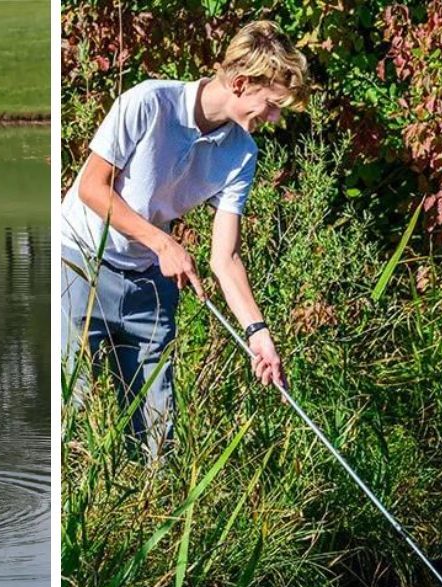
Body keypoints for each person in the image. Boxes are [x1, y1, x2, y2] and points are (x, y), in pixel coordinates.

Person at [60, 20, 310, 458]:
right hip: (78, 265)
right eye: (271, 105)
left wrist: (259, 334)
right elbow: (92, 188)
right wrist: (163, 243)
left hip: (148, 288)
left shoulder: (241, 154)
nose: (274, 118)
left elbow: (225, 258)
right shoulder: (148, 101)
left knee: (158, 439)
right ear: (239, 82)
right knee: (72, 415)